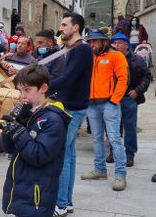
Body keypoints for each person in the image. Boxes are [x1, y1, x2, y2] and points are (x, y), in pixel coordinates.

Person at [1, 64, 70, 217]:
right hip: (19, 189)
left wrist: (18, 131)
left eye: (27, 90)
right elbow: (9, 149)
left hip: (37, 196)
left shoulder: (53, 120)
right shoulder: (29, 113)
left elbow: (38, 155)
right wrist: (7, 130)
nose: (22, 96)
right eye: (20, 90)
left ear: (43, 88)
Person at [52, 12, 93, 216]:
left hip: (72, 109)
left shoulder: (82, 50)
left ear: (75, 27)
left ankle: (60, 204)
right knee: (69, 155)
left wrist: (42, 87)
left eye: (64, 24)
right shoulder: (72, 49)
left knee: (62, 156)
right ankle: (66, 202)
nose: (61, 28)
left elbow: (67, 79)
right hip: (71, 106)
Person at [80, 29, 128, 192]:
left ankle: (120, 175)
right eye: (90, 41)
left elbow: (123, 79)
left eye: (94, 41)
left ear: (103, 42)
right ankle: (100, 169)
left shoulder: (116, 56)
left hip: (109, 103)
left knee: (114, 139)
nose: (91, 44)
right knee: (96, 138)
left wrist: (115, 100)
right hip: (92, 104)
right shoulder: (89, 58)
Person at [108, 33, 151, 167]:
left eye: (121, 42)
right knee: (113, 127)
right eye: (115, 42)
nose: (117, 45)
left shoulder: (137, 59)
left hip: (129, 97)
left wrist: (138, 90)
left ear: (127, 45)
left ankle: (129, 154)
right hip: (113, 98)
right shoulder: (110, 59)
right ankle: (113, 152)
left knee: (130, 127)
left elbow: (146, 76)